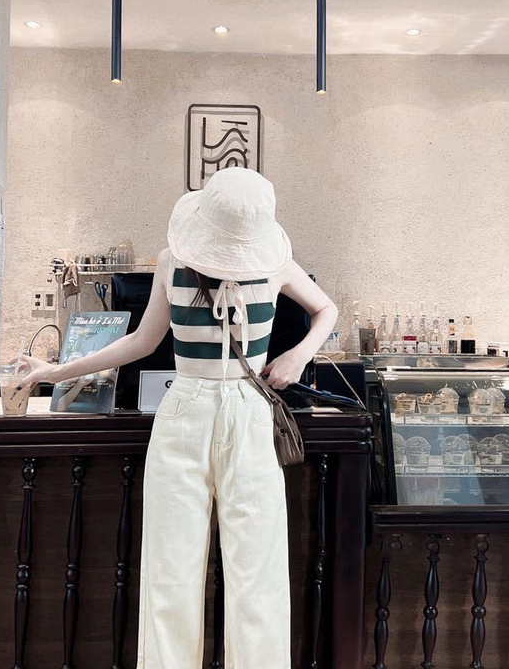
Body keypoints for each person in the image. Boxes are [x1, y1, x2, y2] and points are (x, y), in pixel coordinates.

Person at [18, 167, 338, 668]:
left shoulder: (271, 264)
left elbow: (326, 311)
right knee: (176, 572)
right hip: (196, 408)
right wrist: (56, 371)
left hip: (232, 410)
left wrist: (297, 355)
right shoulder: (176, 262)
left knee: (254, 573)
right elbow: (141, 342)